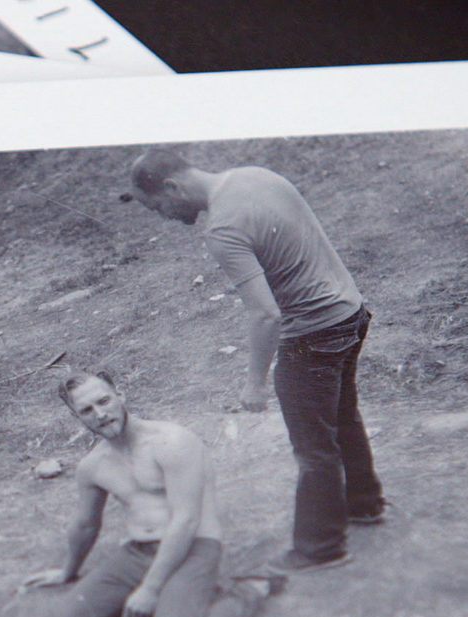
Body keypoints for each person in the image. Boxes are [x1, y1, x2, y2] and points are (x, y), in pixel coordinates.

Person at [127, 149, 386, 573]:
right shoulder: (256, 176)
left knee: (313, 447)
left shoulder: (222, 228)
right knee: (342, 415)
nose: (164, 217)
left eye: (158, 207)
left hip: (313, 332)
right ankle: (364, 503)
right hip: (350, 312)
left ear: (172, 187)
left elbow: (266, 314)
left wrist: (255, 383)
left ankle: (320, 548)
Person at [24, 371, 284, 617]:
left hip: (193, 548)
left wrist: (150, 589)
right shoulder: (93, 466)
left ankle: (248, 590)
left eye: (103, 401)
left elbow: (186, 520)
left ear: (120, 395)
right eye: (86, 410)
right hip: (139, 553)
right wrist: (68, 570)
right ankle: (159, 606)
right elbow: (85, 525)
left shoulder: (172, 442)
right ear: (76, 416)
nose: (99, 414)